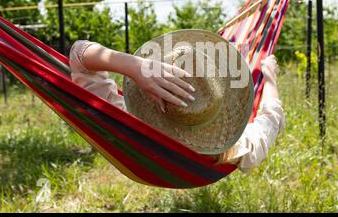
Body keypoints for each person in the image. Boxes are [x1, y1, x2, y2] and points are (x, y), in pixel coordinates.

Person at [69, 36, 285, 173]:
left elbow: (80, 53)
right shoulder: (233, 150)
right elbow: (270, 119)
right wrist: (269, 77)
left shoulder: (128, 126)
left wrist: (137, 67)